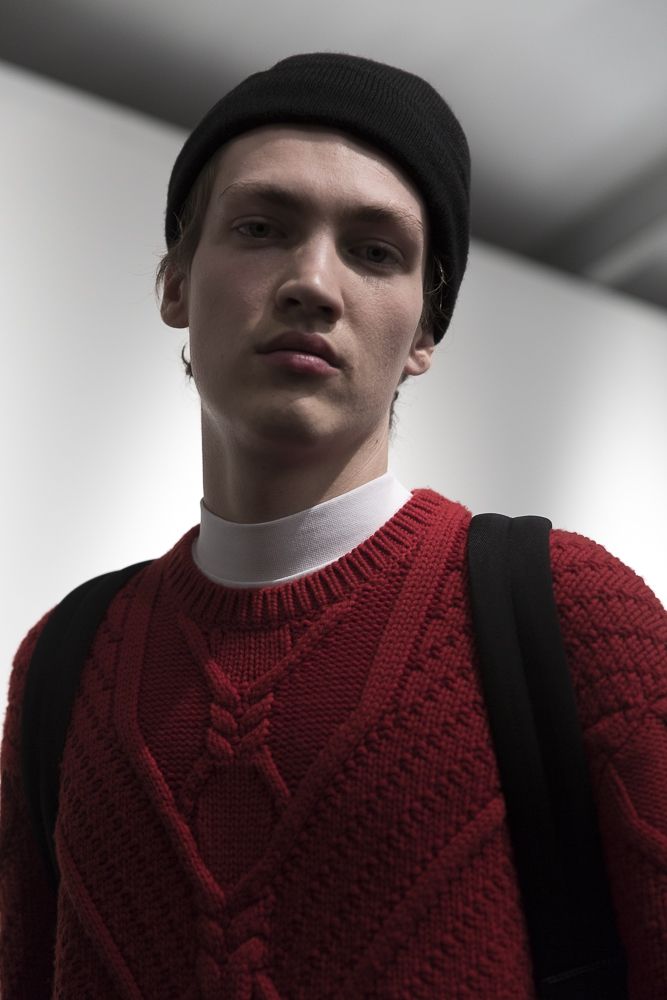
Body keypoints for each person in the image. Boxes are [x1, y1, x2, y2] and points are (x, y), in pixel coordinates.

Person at [1, 51, 665, 999]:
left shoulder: (570, 613)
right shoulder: (65, 662)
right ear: (175, 284)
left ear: (424, 332)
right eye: (261, 228)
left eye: (375, 251)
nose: (313, 282)